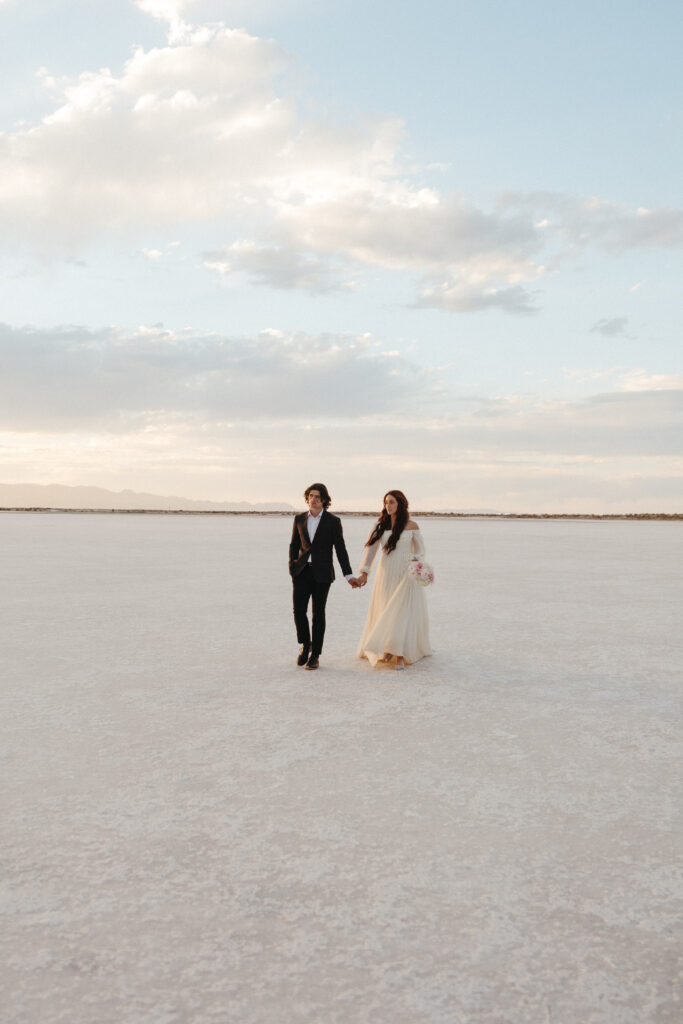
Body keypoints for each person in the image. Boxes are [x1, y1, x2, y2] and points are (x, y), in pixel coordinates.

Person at [356, 490, 432, 670]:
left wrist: (415, 565)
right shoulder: (379, 525)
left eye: (391, 502)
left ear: (400, 503)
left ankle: (399, 653)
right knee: (385, 607)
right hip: (386, 572)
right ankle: (386, 648)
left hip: (405, 573)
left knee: (402, 611)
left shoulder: (412, 525)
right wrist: (365, 572)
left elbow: (421, 551)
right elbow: (371, 551)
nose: (387, 506)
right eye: (385, 503)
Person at [289, 483, 359, 671]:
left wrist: (349, 575)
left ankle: (315, 655)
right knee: (298, 611)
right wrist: (292, 566)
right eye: (311, 496)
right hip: (302, 572)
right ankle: (305, 644)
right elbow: (294, 545)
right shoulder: (298, 519)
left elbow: (340, 549)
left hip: (322, 575)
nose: (314, 499)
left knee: (318, 614)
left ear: (324, 500)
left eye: (318, 497)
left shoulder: (332, 522)